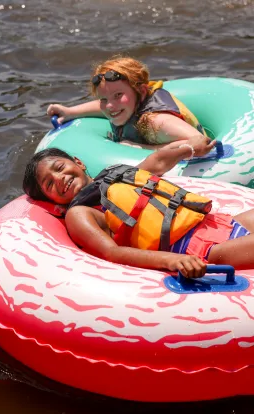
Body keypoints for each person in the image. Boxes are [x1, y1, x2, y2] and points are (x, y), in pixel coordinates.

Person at [23, 135, 254, 279]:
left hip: (218, 222)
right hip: (198, 251)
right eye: (50, 184)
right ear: (52, 199)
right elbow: (111, 252)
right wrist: (170, 261)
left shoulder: (117, 175)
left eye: (59, 168)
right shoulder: (80, 213)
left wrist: (190, 149)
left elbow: (157, 162)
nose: (59, 179)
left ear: (79, 163)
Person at [47, 55, 207, 151]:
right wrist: (69, 112)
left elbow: (200, 142)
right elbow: (102, 107)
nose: (109, 106)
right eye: (104, 99)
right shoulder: (125, 106)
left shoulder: (156, 122)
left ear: (142, 91)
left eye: (118, 95)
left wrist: (142, 149)